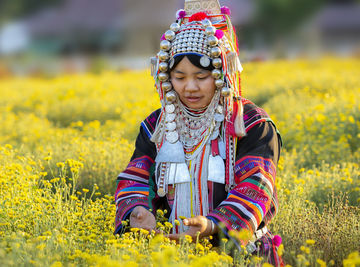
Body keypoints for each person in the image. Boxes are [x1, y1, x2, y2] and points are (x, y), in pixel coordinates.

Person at [114, 0, 283, 265]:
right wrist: (137, 210)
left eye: (201, 76)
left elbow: (256, 186)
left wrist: (212, 226)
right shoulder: (157, 126)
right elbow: (134, 177)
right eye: (179, 77)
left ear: (221, 72)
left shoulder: (249, 124)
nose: (189, 87)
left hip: (241, 255)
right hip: (174, 253)